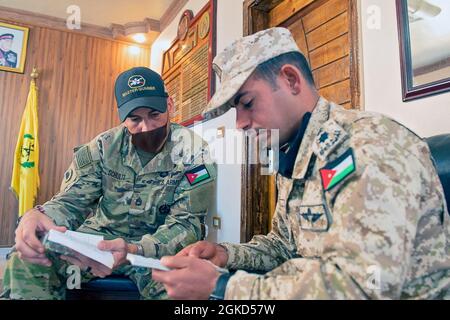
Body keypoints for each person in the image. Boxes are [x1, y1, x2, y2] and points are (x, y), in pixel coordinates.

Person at [152, 27, 450, 300]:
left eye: (247, 103)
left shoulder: (371, 146)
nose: (240, 124)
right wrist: (225, 255)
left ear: (291, 79)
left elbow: (363, 288)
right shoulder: (297, 155)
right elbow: (284, 246)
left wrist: (221, 286)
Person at [1, 67, 216, 300]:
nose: (146, 127)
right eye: (135, 119)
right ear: (122, 117)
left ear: (170, 105)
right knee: (28, 259)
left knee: (186, 292)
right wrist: (40, 214)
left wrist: (135, 249)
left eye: (154, 114)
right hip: (99, 241)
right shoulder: (102, 148)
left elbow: (186, 225)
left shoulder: (194, 152)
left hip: (155, 250)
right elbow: (72, 201)